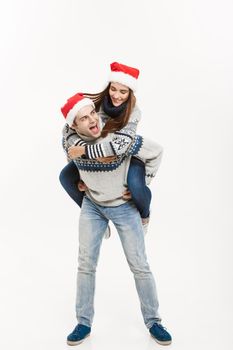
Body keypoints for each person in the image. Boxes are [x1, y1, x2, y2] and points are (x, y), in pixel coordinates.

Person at [60, 93, 172, 346]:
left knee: (139, 265)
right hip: (93, 207)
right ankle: (83, 322)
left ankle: (154, 321)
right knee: (85, 264)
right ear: (74, 126)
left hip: (124, 207)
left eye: (92, 113)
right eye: (84, 118)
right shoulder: (73, 144)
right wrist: (81, 180)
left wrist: (143, 185)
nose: (92, 120)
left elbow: (156, 151)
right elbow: (71, 158)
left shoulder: (119, 138)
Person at [59, 62, 152, 235]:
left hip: (126, 156)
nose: (116, 95)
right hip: (93, 157)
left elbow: (119, 147)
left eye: (123, 92)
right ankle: (96, 217)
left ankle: (145, 216)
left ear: (130, 93)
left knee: (135, 185)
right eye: (113, 89)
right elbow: (68, 130)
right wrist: (81, 167)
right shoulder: (95, 105)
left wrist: (86, 152)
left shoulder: (134, 114)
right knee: (65, 177)